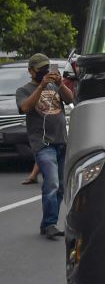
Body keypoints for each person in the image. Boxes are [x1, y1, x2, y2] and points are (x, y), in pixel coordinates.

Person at [16, 53, 75, 238]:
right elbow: (24, 108)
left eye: (46, 68)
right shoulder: (24, 90)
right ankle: (50, 224)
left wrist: (60, 84)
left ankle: (47, 224)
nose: (44, 72)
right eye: (40, 69)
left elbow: (71, 99)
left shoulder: (54, 85)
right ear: (31, 71)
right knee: (52, 182)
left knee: (60, 187)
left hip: (61, 141)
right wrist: (41, 87)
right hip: (42, 143)